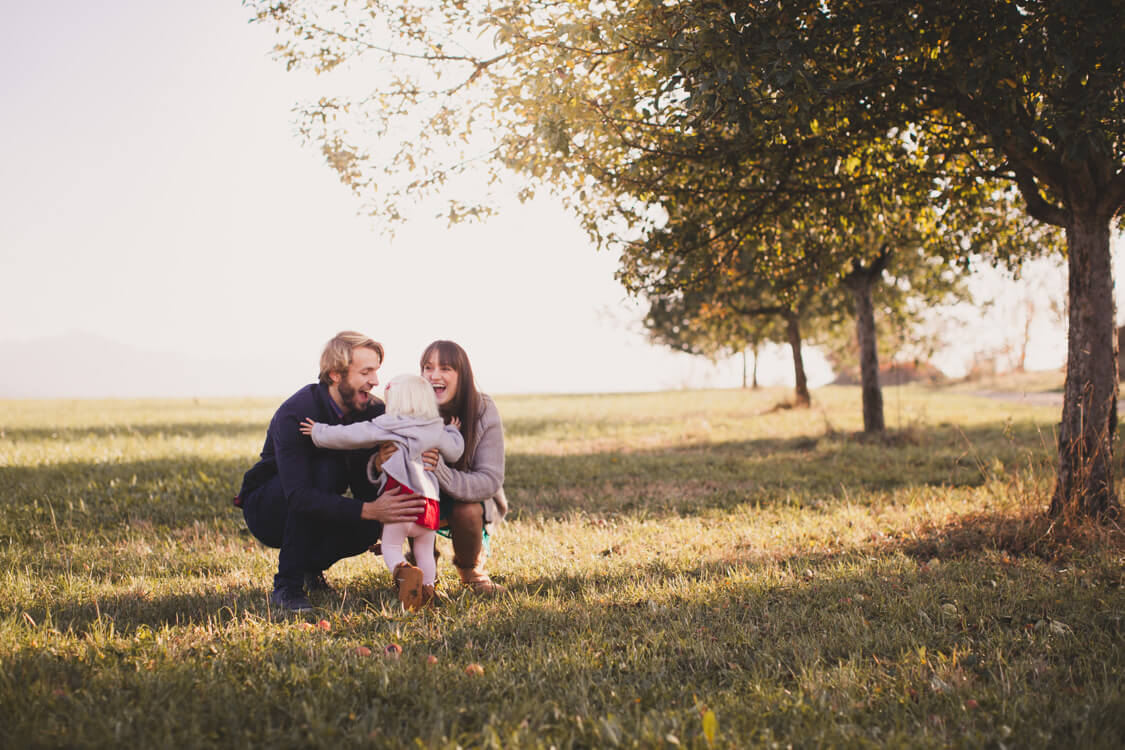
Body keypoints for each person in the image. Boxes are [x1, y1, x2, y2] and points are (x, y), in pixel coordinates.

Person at [235, 331, 426, 614]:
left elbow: (366, 487)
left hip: (320, 503)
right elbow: (299, 496)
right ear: (336, 375)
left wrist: (377, 466)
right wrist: (371, 509)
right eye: (366, 372)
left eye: (376, 371)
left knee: (368, 522)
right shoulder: (298, 412)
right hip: (270, 507)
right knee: (325, 472)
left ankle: (309, 568)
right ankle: (287, 586)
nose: (375, 381)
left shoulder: (374, 412)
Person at [300, 374, 464, 610]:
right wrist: (453, 431)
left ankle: (403, 571)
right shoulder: (435, 428)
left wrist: (318, 431)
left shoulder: (387, 423)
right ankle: (428, 590)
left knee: (390, 547)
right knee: (425, 551)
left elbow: (349, 435)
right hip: (429, 505)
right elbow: (455, 451)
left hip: (399, 501)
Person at [375, 340, 508, 594]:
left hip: (464, 499)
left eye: (446, 368)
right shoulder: (408, 406)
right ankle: (421, 568)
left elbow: (490, 479)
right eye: (427, 367)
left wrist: (441, 471)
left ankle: (470, 571)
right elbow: (376, 467)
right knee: (406, 494)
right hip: (419, 498)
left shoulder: (482, 409)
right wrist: (379, 463)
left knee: (467, 511)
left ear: (462, 375)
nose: (434, 375)